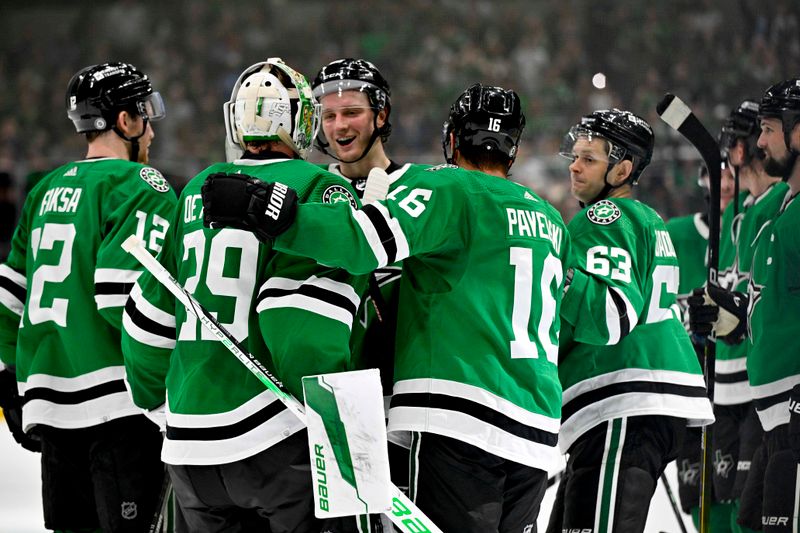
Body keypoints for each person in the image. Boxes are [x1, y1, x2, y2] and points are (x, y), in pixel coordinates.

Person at [202, 83, 571, 533]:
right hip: (533, 429)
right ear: (512, 149)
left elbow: (361, 243)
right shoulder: (552, 220)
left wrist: (272, 214)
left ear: (452, 140)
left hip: (455, 417)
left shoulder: (445, 187)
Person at [121, 57, 366, 533]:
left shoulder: (195, 188)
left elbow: (146, 319)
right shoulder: (319, 185)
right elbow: (302, 326)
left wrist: (161, 406)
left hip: (190, 448)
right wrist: (335, 424)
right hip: (276, 434)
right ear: (299, 120)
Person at [0, 62, 175, 532]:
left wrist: (11, 381)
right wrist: (170, 380)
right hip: (120, 406)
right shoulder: (140, 186)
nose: (152, 133)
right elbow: (122, 299)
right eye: (146, 116)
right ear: (125, 121)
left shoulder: (43, 189)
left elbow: (6, 300)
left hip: (50, 406)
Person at [547, 109, 714, 533]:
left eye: (589, 158)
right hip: (641, 402)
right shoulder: (648, 219)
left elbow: (612, 314)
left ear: (622, 169)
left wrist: (557, 268)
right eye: (575, 155)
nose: (574, 165)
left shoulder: (603, 218)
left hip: (623, 400)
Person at [690, 78, 800, 533]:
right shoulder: (780, 214)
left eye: (770, 128)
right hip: (771, 414)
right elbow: (769, 308)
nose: (760, 141)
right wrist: (731, 318)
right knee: (751, 522)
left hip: (791, 410)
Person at [312, 58, 410, 532]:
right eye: (328, 115)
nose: (338, 125)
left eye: (350, 112)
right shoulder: (310, 193)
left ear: (381, 115)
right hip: (331, 398)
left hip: (408, 401)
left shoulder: (421, 190)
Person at [666, 159, 736, 530]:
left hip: (734, 384)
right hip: (689, 385)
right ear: (702, 178)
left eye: (730, 173)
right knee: (694, 495)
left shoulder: (748, 232)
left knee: (733, 492)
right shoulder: (675, 233)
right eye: (716, 173)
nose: (724, 182)